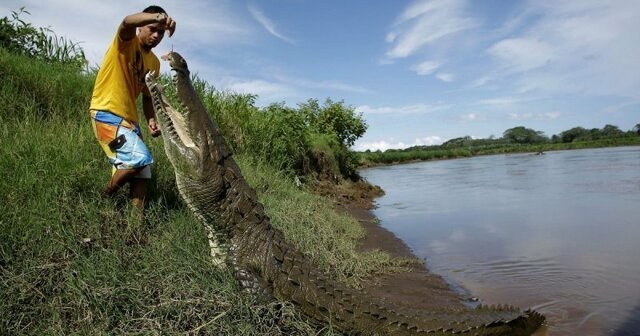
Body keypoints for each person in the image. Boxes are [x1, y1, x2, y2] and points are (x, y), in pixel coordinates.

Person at [89, 6, 176, 213]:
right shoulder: (125, 42)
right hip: (106, 112)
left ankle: (134, 227)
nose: (156, 35)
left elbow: (147, 97)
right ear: (140, 27)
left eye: (161, 32)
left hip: (130, 121)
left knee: (143, 174)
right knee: (138, 160)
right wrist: (159, 17)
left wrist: (151, 120)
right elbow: (127, 21)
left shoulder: (154, 63)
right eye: (152, 29)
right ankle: (104, 198)